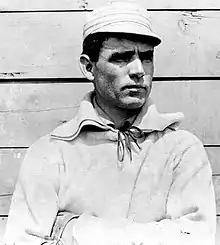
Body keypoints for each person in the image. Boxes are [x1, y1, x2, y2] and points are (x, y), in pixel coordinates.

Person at [4, 1, 216, 245]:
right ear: (88, 67)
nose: (139, 70)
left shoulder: (182, 149)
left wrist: (78, 230)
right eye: (121, 58)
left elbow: (197, 239)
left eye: (146, 58)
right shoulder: (50, 153)